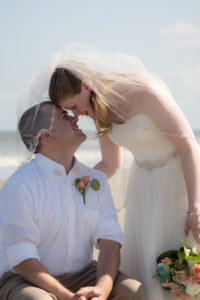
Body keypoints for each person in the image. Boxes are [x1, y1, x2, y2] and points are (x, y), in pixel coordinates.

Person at [48, 53, 200, 300]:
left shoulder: (144, 92)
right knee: (149, 263)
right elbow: (111, 164)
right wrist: (76, 183)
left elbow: (188, 145)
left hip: (179, 180)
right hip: (143, 186)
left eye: (75, 106)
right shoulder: (99, 111)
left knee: (183, 264)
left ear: (86, 86)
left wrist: (194, 209)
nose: (76, 115)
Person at [0, 101, 142, 300]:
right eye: (64, 117)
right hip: (25, 279)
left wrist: (101, 291)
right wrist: (67, 297)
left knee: (134, 291)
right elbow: (22, 259)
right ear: (47, 135)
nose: (75, 118)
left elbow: (110, 241)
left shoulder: (95, 180)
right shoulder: (19, 185)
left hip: (84, 274)